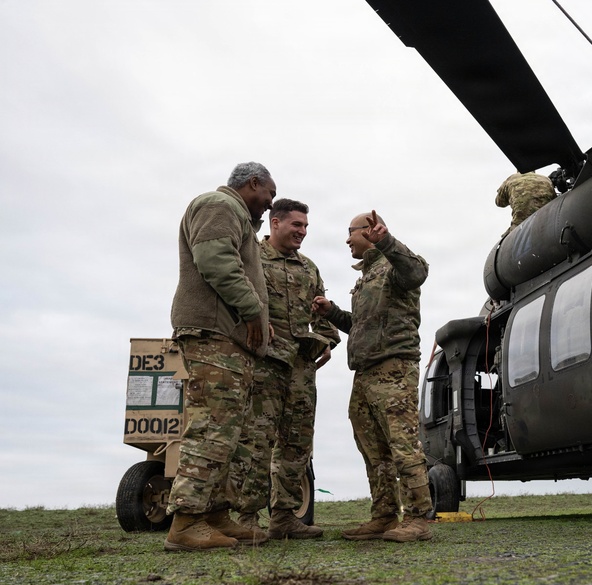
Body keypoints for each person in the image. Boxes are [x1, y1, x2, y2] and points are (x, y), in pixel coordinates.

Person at [164, 161, 276, 551]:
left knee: (228, 428)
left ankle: (213, 514)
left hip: (227, 336)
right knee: (214, 424)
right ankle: (187, 520)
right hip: (214, 332)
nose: (269, 204)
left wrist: (259, 318)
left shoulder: (237, 216)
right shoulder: (219, 205)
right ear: (253, 183)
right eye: (269, 195)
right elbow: (215, 261)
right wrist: (252, 309)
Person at [312, 210, 433, 542]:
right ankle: (384, 516)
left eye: (350, 232)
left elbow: (417, 272)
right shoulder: (366, 277)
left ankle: (418, 519)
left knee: (403, 446)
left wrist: (388, 242)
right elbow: (361, 327)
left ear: (369, 232)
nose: (347, 239)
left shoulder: (394, 268)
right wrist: (332, 312)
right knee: (373, 450)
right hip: (364, 374)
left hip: (393, 370)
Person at [229, 198, 341, 540]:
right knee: (256, 442)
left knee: (297, 444)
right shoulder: (253, 259)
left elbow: (321, 314)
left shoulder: (309, 268)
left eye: (306, 227)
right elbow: (234, 300)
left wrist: (326, 341)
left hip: (302, 371)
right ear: (275, 223)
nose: (302, 232)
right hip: (264, 365)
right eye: (297, 225)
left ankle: (284, 516)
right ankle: (246, 516)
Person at [495, 171, 556, 235]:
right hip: (546, 225)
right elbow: (554, 202)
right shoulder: (547, 180)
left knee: (505, 241)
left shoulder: (511, 179)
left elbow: (499, 202)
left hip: (520, 225)